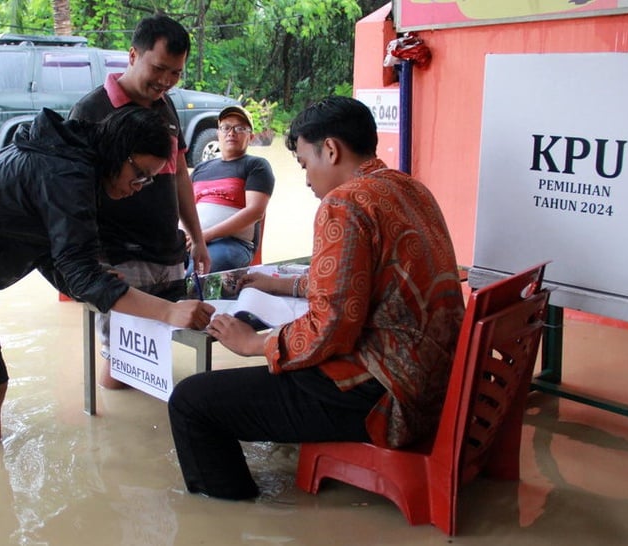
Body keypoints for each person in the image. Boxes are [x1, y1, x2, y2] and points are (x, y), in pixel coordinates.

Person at [167, 96, 465, 500]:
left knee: (191, 401)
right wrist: (283, 285)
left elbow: (333, 328)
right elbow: (359, 281)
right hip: (436, 382)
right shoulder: (411, 188)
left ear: (331, 150)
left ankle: (229, 517)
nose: (306, 180)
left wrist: (254, 342)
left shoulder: (344, 203)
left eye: (306, 164)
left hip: (385, 393)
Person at [0, 107, 215, 445]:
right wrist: (170, 311)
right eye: (141, 175)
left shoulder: (67, 157)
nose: (140, 187)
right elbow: (80, 272)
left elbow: (48, 247)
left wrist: (89, 282)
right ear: (119, 152)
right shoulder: (68, 173)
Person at [69, 14, 211, 390]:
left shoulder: (166, 107)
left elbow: (180, 173)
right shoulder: (90, 112)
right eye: (159, 68)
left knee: (155, 358)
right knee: (119, 371)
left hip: (167, 253)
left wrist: (196, 236)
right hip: (118, 258)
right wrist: (93, 263)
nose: (165, 81)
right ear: (133, 55)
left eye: (176, 74)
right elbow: (74, 197)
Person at [187, 105, 274, 273]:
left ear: (251, 136)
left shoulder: (256, 165)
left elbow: (255, 211)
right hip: (192, 239)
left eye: (240, 128)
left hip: (232, 243)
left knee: (195, 272)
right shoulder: (200, 169)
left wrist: (204, 236)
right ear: (218, 133)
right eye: (226, 127)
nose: (231, 133)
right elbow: (185, 206)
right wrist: (184, 234)